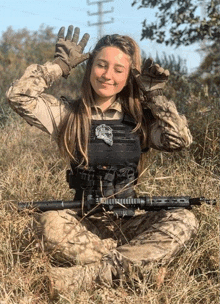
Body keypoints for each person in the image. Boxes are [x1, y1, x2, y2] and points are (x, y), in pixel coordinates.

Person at [6, 25, 198, 293]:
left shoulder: (140, 119)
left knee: (184, 219)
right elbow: (18, 96)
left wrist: (153, 96)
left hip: (130, 220)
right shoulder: (66, 114)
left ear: (129, 76)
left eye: (119, 70)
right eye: (101, 65)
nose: (108, 75)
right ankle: (134, 266)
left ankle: (83, 278)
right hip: (82, 221)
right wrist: (59, 65)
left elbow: (179, 140)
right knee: (48, 225)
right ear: (89, 68)